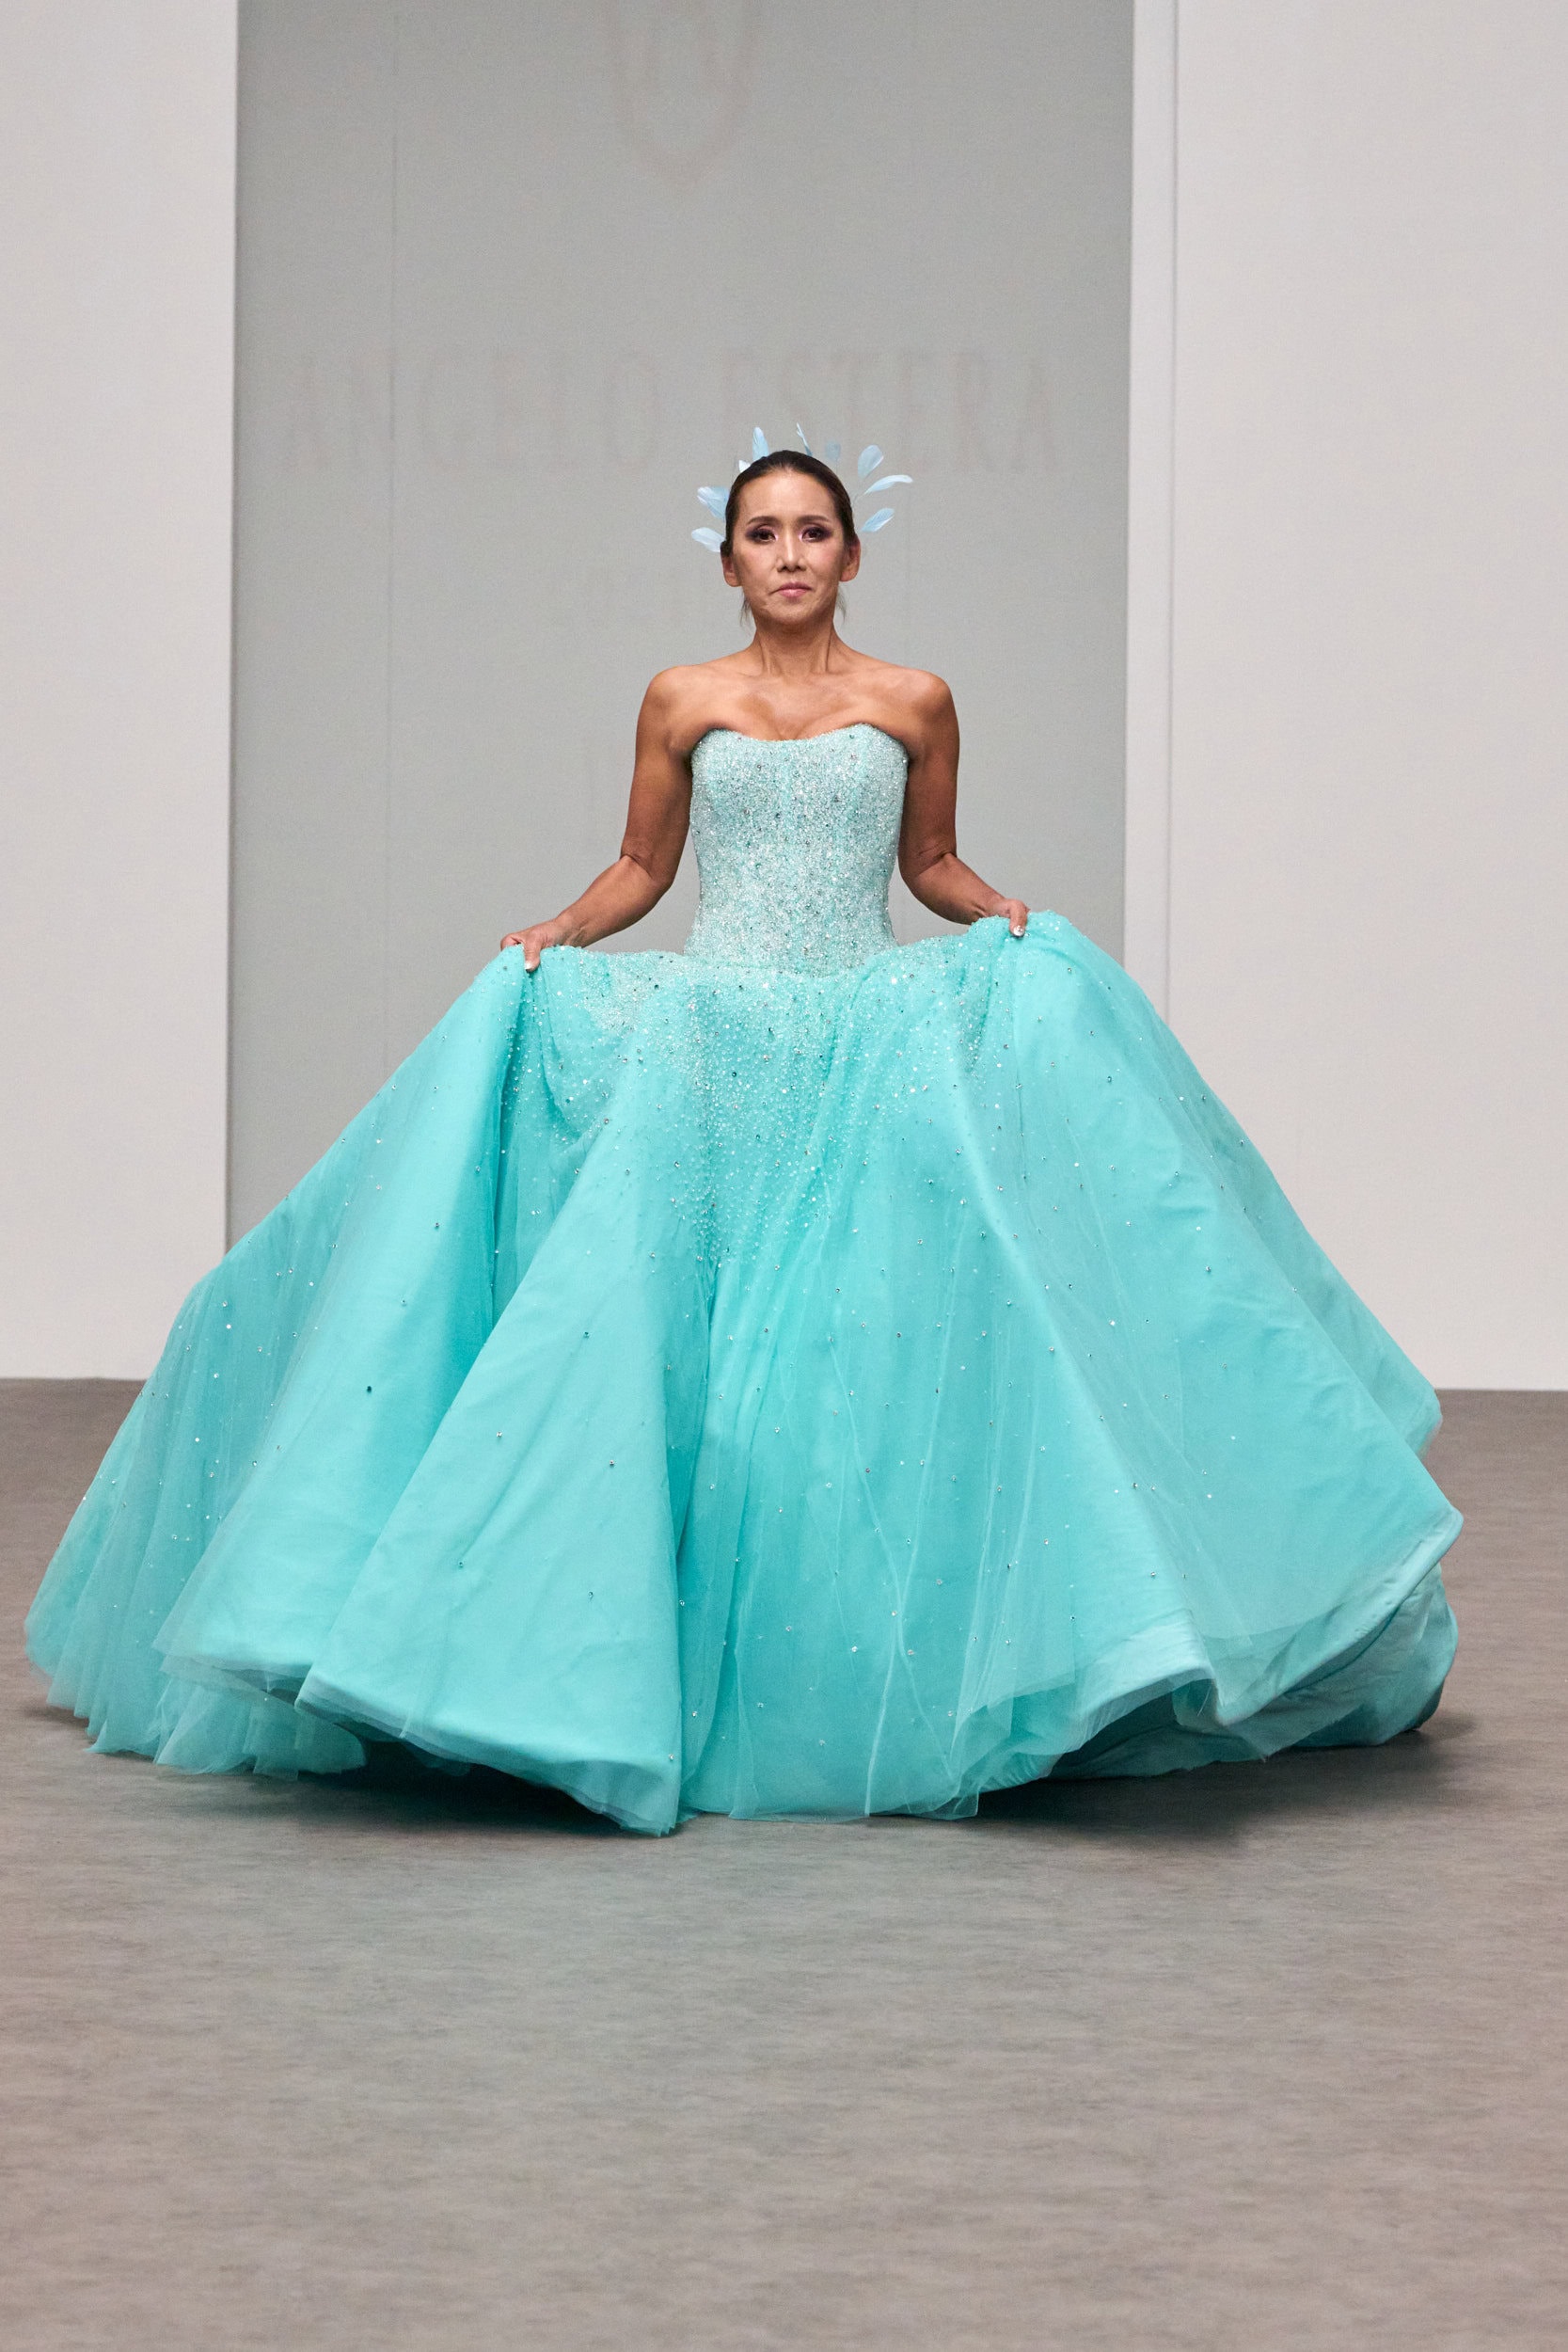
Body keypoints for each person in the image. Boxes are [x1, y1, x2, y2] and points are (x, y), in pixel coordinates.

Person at [27, 442, 1460, 1835]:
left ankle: (879, 1663)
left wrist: (1002, 917)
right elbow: (644, 866)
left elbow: (929, 864)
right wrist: (555, 934)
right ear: (727, 561)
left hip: (864, 1034)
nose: (789, 554)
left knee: (862, 1344)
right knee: (668, 1336)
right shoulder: (681, 696)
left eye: (813, 531)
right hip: (708, 1038)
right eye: (763, 533)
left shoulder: (914, 699)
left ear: (852, 555)